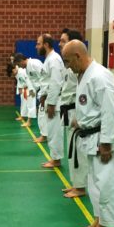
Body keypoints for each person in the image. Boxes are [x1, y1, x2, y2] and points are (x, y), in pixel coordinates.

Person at [61, 40, 114, 227]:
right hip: (90, 137)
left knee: (106, 184)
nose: (68, 66)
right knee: (94, 184)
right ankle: (98, 221)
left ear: (79, 56)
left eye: (69, 61)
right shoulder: (84, 75)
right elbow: (90, 107)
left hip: (102, 139)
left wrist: (106, 142)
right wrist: (78, 121)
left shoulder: (100, 76)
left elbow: (110, 110)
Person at [58, 29, 88, 198]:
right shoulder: (70, 67)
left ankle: (81, 186)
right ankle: (76, 183)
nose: (60, 43)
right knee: (71, 148)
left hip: (76, 110)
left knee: (78, 150)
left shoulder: (78, 69)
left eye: (63, 41)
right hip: (68, 109)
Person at [36, 34, 65, 168]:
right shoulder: (49, 59)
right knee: (52, 131)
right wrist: (43, 96)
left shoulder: (54, 59)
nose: (37, 47)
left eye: (39, 44)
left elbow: (55, 82)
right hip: (50, 100)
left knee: (55, 132)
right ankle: (54, 158)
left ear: (46, 45)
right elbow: (46, 81)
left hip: (56, 102)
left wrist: (52, 103)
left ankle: (56, 159)